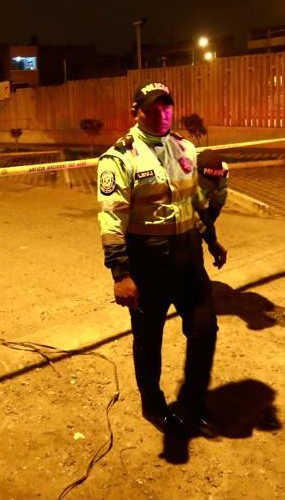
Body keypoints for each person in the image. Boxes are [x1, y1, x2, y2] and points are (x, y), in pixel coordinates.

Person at [97, 82, 227, 437]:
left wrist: (212, 240)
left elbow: (195, 202)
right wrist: (120, 274)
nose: (161, 113)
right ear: (135, 112)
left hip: (189, 257)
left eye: (166, 106)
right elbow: (111, 219)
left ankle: (194, 401)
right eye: (152, 108)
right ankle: (152, 404)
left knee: (204, 330)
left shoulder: (185, 148)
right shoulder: (120, 158)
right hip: (148, 261)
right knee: (148, 338)